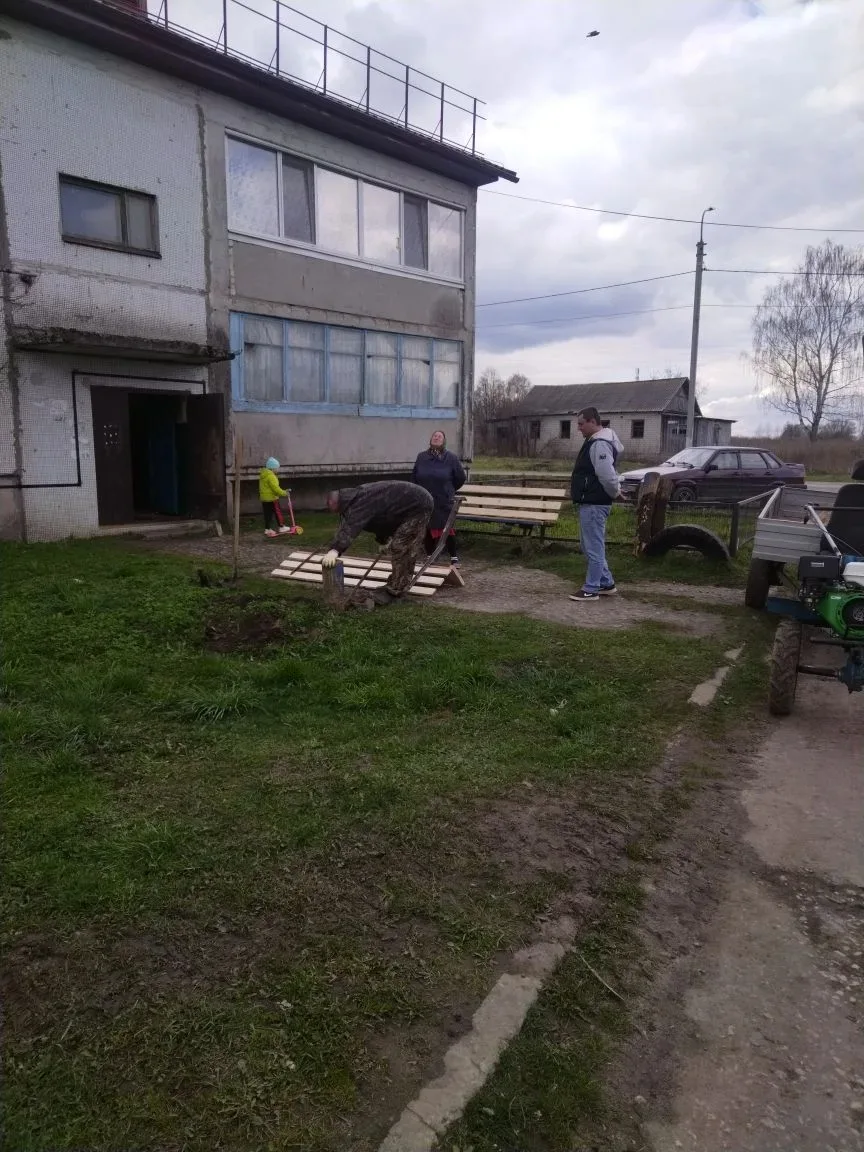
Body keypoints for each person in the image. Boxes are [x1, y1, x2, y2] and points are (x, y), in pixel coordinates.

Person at [321, 481, 434, 601]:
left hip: (418, 505)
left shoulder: (361, 502)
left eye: (336, 510)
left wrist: (335, 550)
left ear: (339, 503)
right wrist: (384, 540)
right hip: (403, 508)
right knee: (398, 545)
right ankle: (396, 583)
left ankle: (396, 591)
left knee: (401, 547)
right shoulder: (355, 499)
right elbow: (379, 521)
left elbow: (351, 527)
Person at [569, 408, 624, 602]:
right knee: (589, 545)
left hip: (594, 502)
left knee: (593, 547)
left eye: (581, 424)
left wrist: (615, 492)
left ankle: (591, 589)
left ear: (593, 422)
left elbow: (606, 474)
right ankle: (606, 583)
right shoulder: (595, 441)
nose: (579, 428)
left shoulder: (600, 443)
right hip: (590, 501)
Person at [411, 430, 466, 565]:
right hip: (425, 498)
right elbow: (414, 476)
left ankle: (453, 557)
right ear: (431, 440)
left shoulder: (451, 458)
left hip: (443, 499)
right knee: (427, 527)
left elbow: (460, 477)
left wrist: (449, 489)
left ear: (443, 441)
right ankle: (430, 556)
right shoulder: (422, 457)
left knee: (446, 528)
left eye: (439, 436)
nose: (436, 438)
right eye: (434, 436)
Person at [259, 457, 292, 537]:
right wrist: (284, 493)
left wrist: (283, 491)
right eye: (277, 468)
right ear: (273, 468)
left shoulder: (263, 475)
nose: (278, 470)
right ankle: (281, 527)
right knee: (278, 512)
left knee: (267, 514)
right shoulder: (271, 476)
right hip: (272, 498)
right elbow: (276, 489)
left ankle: (267, 529)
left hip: (264, 499)